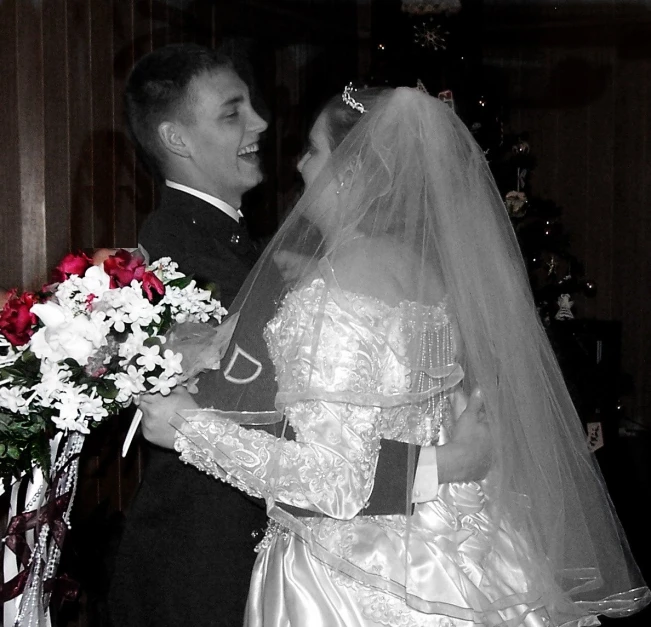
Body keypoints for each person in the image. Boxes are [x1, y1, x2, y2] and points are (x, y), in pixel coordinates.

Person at [142, 84, 650, 626]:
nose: (299, 164)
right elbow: (440, 419)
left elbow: (336, 479)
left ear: (355, 173)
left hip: (354, 570)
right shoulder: (425, 275)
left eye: (313, 150)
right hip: (450, 539)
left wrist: (189, 428)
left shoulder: (336, 290)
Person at [108, 45, 468, 627]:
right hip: (208, 559)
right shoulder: (178, 255)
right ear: (177, 139)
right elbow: (296, 433)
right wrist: (443, 466)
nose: (262, 124)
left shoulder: (263, 249)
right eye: (232, 113)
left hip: (315, 551)